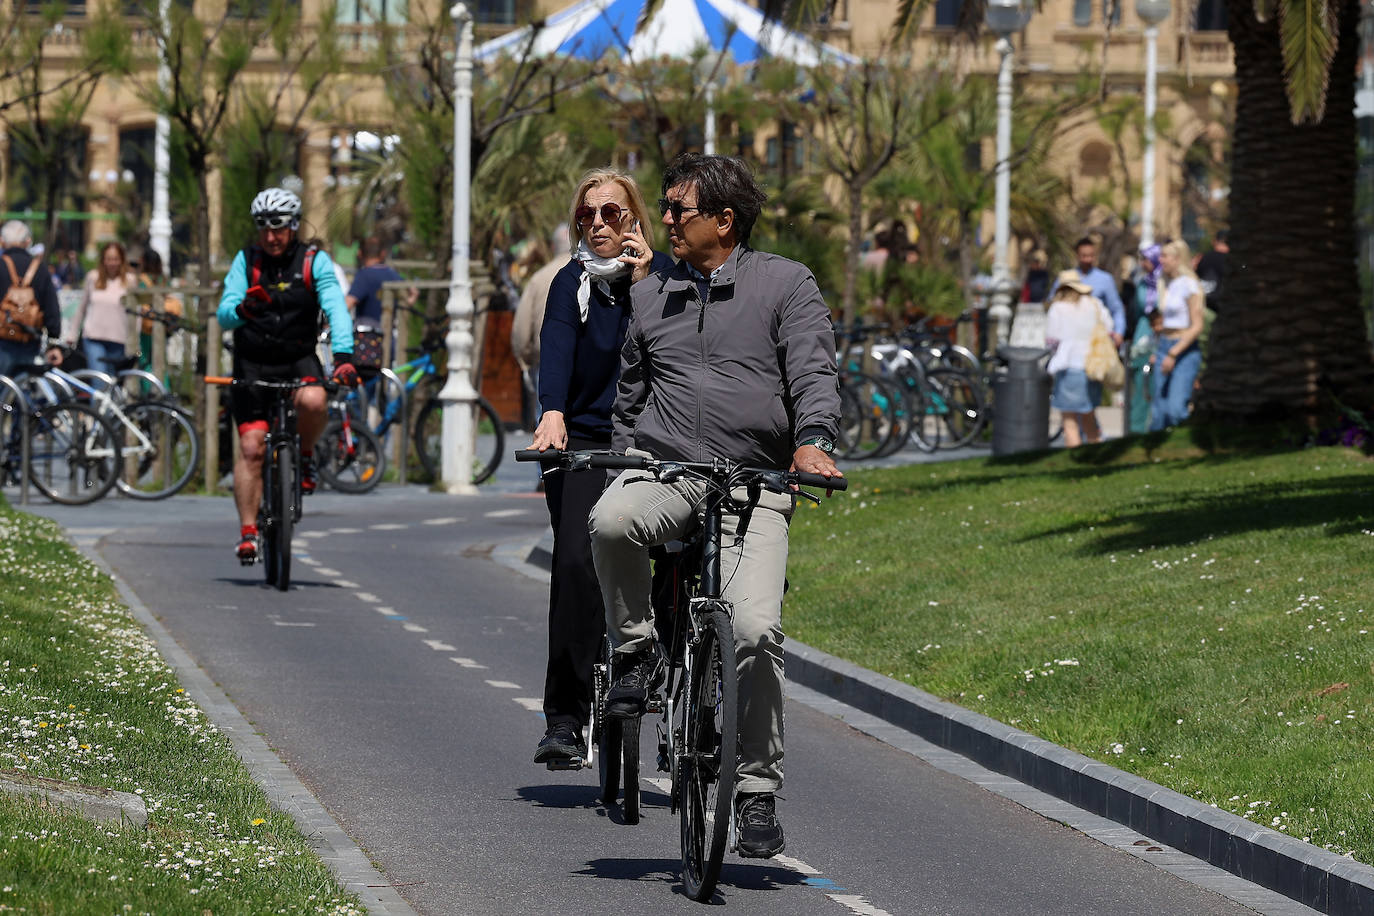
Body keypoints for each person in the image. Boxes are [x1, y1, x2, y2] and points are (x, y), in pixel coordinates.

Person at [589, 153, 842, 858]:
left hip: (754, 480)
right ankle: (635, 650)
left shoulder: (786, 284)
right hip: (667, 467)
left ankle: (756, 791)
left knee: (756, 631)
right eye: (666, 207)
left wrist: (813, 440)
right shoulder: (651, 292)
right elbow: (630, 395)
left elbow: (815, 371)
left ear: (725, 221)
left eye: (679, 209)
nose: (664, 218)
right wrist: (621, 457)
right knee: (609, 519)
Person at [525, 170, 672, 767]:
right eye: (587, 216)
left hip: (656, 438)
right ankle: (565, 718)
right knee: (574, 565)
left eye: (611, 213)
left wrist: (644, 284)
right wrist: (552, 412)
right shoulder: (570, 284)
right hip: (584, 437)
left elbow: (675, 351)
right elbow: (556, 346)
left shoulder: (665, 281)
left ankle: (672, 686)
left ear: (635, 218)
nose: (598, 225)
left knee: (679, 559)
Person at [216, 187, 356, 563]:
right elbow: (224, 313)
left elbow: (336, 309)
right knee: (251, 448)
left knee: (314, 399)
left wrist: (343, 357)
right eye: (263, 228)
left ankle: (305, 455)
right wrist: (244, 307)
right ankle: (248, 533)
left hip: (297, 357)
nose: (271, 236)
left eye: (278, 227)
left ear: (293, 225)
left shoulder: (315, 262)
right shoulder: (246, 261)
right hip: (253, 361)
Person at [511, 225, 571, 433]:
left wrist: (525, 357)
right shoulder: (592, 274)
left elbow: (521, 329)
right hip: (585, 364)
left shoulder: (539, 279)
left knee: (545, 427)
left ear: (553, 246)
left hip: (545, 362)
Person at [1045, 270, 1113, 447]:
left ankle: (1074, 458)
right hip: (1092, 367)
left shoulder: (1058, 308)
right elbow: (1109, 327)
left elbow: (1051, 339)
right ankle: (1094, 455)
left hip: (1068, 366)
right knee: (1089, 417)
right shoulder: (1095, 304)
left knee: (1069, 420)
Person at [1149, 239, 1206, 430]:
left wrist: (1174, 353)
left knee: (1175, 409)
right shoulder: (1166, 283)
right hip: (1164, 344)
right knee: (1159, 411)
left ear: (1178, 258)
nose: (1161, 260)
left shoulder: (1189, 284)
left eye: (1165, 256)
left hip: (1184, 348)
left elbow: (1197, 326)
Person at [346, 237, 416, 382]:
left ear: (360, 254)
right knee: (383, 384)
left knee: (364, 388)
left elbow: (348, 303)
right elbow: (413, 292)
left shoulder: (364, 275)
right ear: (383, 254)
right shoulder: (391, 274)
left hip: (366, 343)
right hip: (390, 339)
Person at [0, 221, 63, 377]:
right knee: (23, 391)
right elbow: (51, 308)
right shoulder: (40, 269)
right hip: (30, 339)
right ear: (28, 242)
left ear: (2, 241)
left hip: (3, 341)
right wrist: (53, 341)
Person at [67, 241, 136, 374]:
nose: (112, 263)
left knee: (113, 381)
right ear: (103, 260)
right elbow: (82, 308)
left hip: (119, 339)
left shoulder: (129, 281)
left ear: (121, 260)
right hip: (94, 337)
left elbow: (135, 313)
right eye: (109, 259)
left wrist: (134, 340)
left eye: (116, 259)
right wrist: (72, 333)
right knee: (99, 381)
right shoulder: (93, 277)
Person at [1051, 237, 1126, 346]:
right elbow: (1053, 304)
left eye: (1091, 255)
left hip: (1096, 340)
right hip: (1067, 339)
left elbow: (1116, 309)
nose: (1088, 259)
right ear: (1077, 255)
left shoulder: (1105, 279)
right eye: (1084, 256)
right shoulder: (1066, 278)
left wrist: (1119, 332)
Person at [1194, 229, 1229, 313]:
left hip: (1204, 303)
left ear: (1214, 241)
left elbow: (1196, 275)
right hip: (1223, 304)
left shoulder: (1202, 258)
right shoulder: (1232, 260)